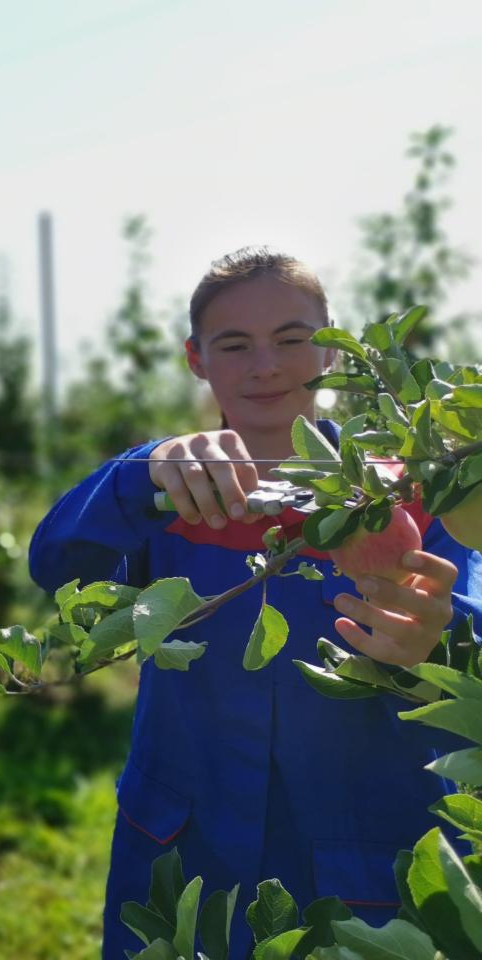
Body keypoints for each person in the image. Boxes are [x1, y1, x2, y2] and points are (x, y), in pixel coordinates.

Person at [28, 247, 482, 959]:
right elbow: (55, 562)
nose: (264, 365)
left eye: (292, 340)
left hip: (358, 851)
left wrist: (441, 629)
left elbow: (468, 615)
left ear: (331, 347)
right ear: (197, 358)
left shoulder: (402, 494)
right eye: (234, 345)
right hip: (186, 844)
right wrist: (133, 475)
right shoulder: (168, 489)